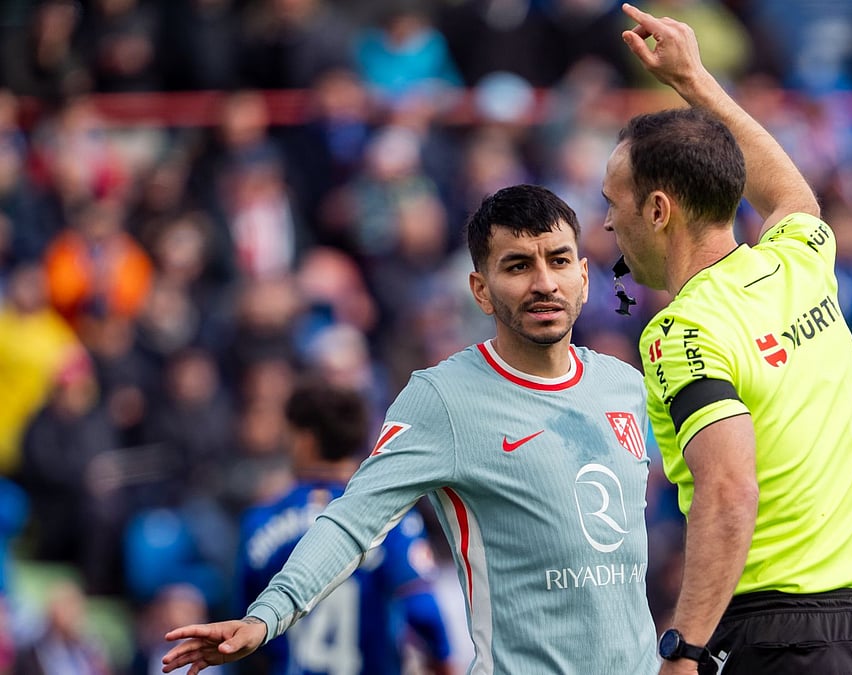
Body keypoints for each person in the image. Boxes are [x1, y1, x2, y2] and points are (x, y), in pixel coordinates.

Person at [161, 184, 658, 674]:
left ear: (585, 277)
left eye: (559, 260)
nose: (545, 282)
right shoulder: (444, 399)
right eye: (518, 265)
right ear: (480, 290)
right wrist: (266, 618)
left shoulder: (624, 386)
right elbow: (352, 520)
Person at [602, 5, 852, 674]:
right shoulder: (802, 256)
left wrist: (682, 650)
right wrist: (695, 81)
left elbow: (727, 493)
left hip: (782, 643)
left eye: (615, 203)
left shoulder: (681, 330)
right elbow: (792, 191)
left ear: (658, 211)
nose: (607, 224)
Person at [236, 379, 454, 675]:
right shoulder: (389, 516)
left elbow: (242, 629)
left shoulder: (260, 520)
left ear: (305, 440)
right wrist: (443, 664)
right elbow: (422, 610)